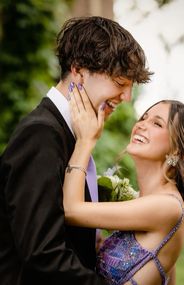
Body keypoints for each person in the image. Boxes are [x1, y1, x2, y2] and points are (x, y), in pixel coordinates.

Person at [0, 16, 152, 285]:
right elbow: (42, 253)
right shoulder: (41, 134)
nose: (127, 97)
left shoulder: (73, 133)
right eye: (120, 82)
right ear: (79, 70)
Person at [63, 85, 184, 285]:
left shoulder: (168, 206)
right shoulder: (149, 202)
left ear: (180, 152)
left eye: (157, 123)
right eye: (144, 117)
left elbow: (70, 210)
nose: (141, 125)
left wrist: (85, 141)